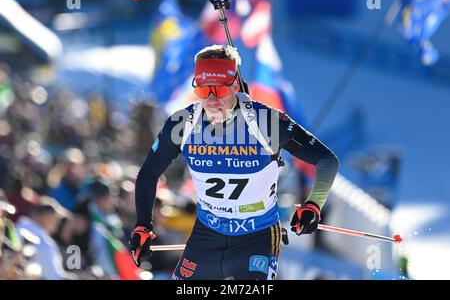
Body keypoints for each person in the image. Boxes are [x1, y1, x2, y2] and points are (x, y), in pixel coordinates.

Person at [129, 45, 339, 280]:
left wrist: (313, 204)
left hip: (256, 237)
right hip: (206, 236)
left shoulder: (266, 122)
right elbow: (148, 173)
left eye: (218, 90)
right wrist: (142, 225)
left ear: (235, 85)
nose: (210, 100)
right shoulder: (182, 123)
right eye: (203, 90)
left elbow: (326, 160)